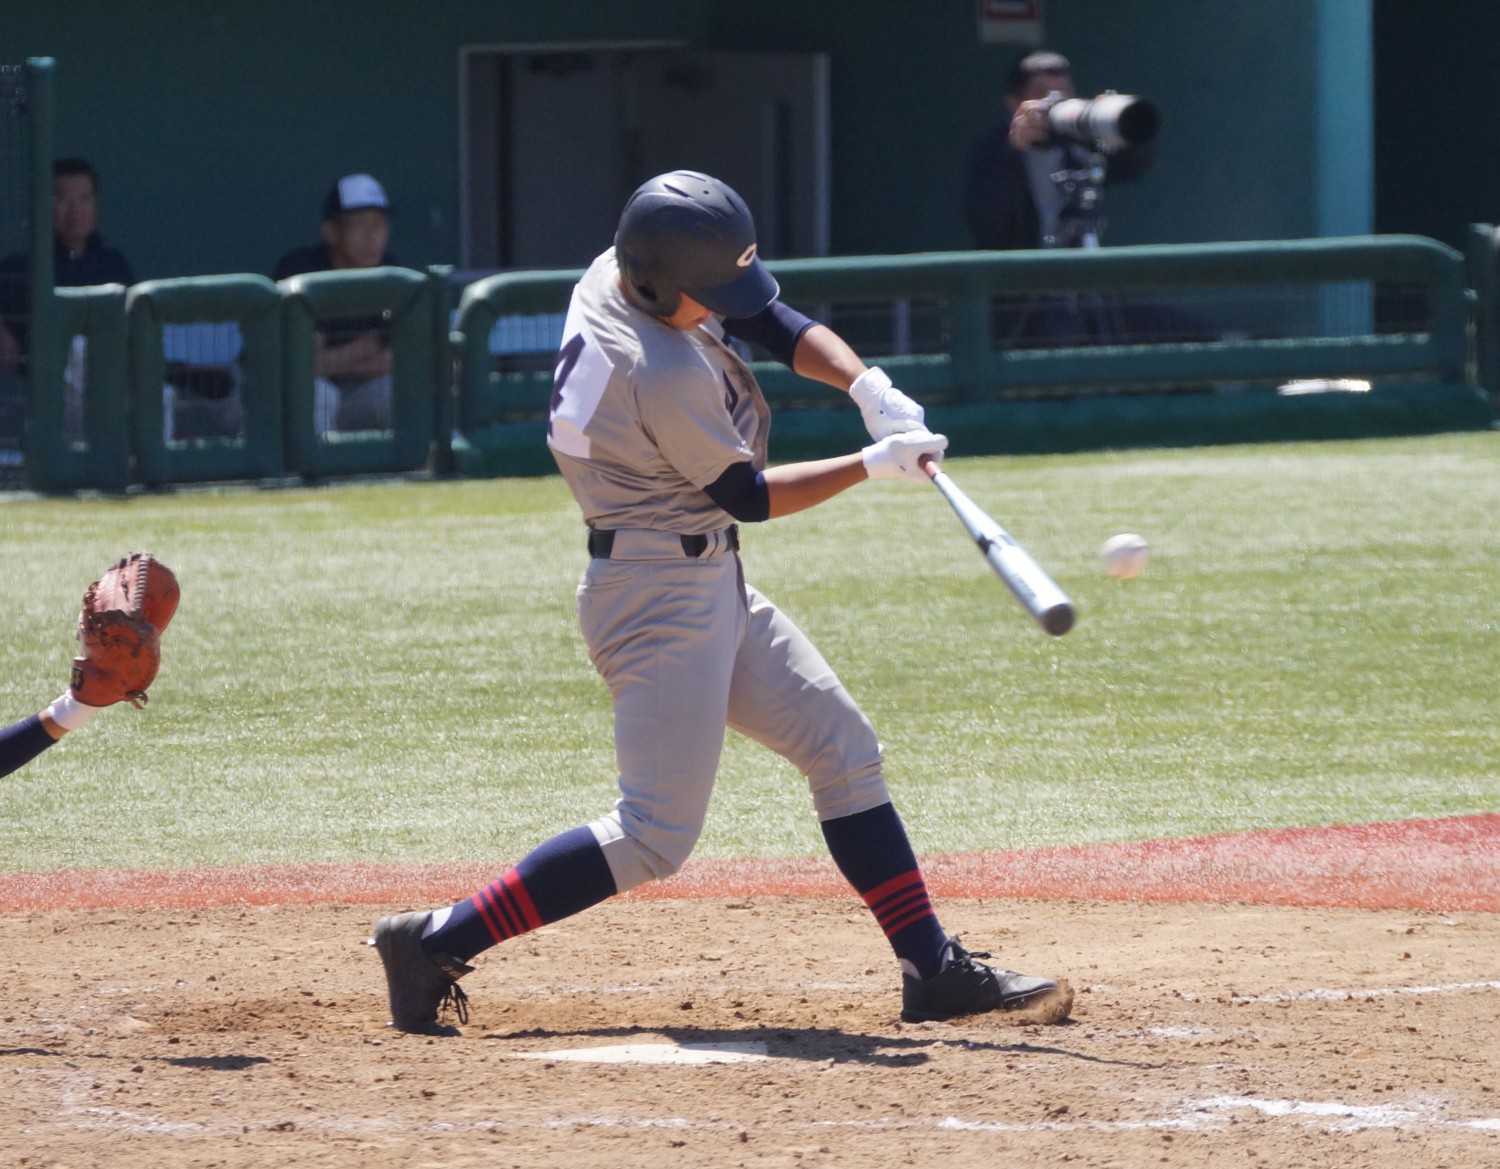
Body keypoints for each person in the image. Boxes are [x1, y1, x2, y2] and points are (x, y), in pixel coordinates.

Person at [372, 170, 1072, 1034]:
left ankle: (930, 968)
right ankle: (435, 940)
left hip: (700, 578)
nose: (721, 306)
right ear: (661, 280)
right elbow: (747, 496)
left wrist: (864, 386)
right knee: (654, 834)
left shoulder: (621, 268)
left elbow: (763, 316)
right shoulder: (656, 368)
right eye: (707, 293)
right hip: (656, 596)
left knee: (842, 748)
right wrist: (870, 465)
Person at [964, 51, 1166, 347]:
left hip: (1089, 285)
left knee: (1177, 329)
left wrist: (1112, 124)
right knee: (1061, 333)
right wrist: (1014, 149)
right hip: (1027, 296)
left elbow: (1136, 166)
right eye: (1043, 96)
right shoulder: (994, 153)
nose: (1055, 103)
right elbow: (986, 224)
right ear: (1013, 104)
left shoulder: (1080, 141)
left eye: (1064, 93)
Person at [0, 158, 139, 438]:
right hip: (48, 402)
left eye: (84, 199)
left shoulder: (113, 264)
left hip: (116, 388)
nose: (75, 211)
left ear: (96, 205)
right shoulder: (20, 268)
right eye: (62, 199)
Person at [272, 174, 399, 434]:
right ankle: (311, 475)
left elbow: (404, 361)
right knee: (319, 393)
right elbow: (299, 368)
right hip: (269, 402)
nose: (371, 236)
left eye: (378, 225)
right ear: (330, 232)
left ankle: (415, 473)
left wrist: (336, 360)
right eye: (358, 225)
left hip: (353, 396)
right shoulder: (300, 272)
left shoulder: (391, 273)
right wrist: (363, 350)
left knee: (397, 390)